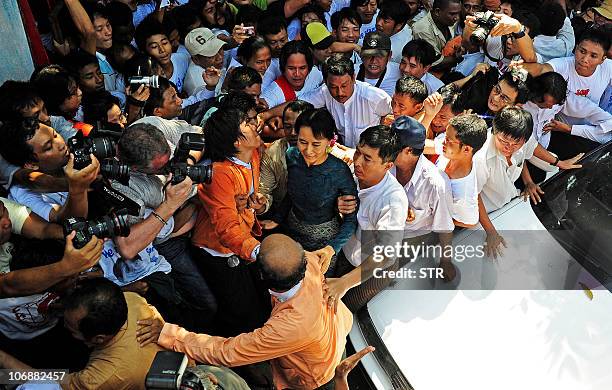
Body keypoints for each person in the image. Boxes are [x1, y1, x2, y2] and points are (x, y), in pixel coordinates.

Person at [136, 234, 353, 390]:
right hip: (333, 337)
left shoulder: (287, 327)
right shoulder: (308, 262)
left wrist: (169, 334)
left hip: (314, 377)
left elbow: (226, 352)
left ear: (259, 276)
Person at [191, 103, 270, 337]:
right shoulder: (221, 174)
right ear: (236, 142)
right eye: (246, 123)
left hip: (242, 246)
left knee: (260, 305)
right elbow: (226, 229)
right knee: (242, 316)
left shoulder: (254, 153)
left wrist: (260, 205)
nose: (255, 124)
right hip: (218, 252)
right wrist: (258, 252)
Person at [472, 107, 583, 258]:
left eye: (515, 144)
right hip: (485, 219)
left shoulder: (524, 141)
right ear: (494, 132)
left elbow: (532, 148)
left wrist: (559, 163)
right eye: (503, 141)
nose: (508, 148)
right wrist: (490, 232)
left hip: (511, 204)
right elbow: (474, 196)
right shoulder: (480, 159)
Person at [261, 108, 357, 278]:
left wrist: (331, 248)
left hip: (324, 241)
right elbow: (292, 192)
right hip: (292, 231)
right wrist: (277, 219)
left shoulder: (339, 170)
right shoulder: (291, 156)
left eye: (316, 144)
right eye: (302, 142)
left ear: (329, 141)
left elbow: (351, 220)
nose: (308, 150)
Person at [325, 125, 408, 312]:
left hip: (373, 271)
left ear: (387, 166)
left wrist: (345, 282)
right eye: (358, 153)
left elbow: (385, 255)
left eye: (367, 159)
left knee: (342, 312)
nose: (358, 162)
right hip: (348, 254)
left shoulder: (392, 201)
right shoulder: (353, 174)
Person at [300, 54, 392, 148]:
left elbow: (396, 117)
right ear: (325, 82)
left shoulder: (375, 97)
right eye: (333, 87)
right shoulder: (325, 91)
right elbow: (297, 106)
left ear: (353, 78)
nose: (340, 93)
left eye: (344, 86)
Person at [259, 100, 314, 216]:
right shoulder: (273, 153)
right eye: (288, 127)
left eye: (298, 127)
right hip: (283, 217)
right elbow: (264, 191)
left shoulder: (329, 149)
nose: (293, 133)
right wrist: (261, 204)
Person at [435, 113, 488, 227]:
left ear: (467, 149)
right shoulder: (449, 151)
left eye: (449, 141)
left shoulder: (463, 195)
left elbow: (470, 223)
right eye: (445, 137)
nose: (443, 142)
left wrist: (436, 218)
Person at [135, 15, 190, 94]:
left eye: (164, 43)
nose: (162, 50)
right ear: (144, 52)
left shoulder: (183, 59)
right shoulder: (146, 81)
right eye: (154, 46)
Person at [260, 40, 324, 108]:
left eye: (302, 68)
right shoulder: (272, 94)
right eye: (291, 68)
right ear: (283, 68)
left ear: (309, 68)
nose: (297, 74)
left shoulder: (315, 73)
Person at [411, 0, 462, 70]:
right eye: (452, 14)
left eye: (459, 13)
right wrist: (459, 57)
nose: (457, 18)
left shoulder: (449, 20)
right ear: (437, 12)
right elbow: (434, 63)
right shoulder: (422, 29)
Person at [183, 27, 227, 97]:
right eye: (211, 55)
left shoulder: (208, 63)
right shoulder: (199, 85)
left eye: (219, 48)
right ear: (196, 59)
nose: (220, 57)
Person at [356, 31, 402, 97]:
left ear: (389, 56)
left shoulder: (399, 72)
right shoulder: (351, 72)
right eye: (369, 55)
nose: (373, 61)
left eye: (379, 56)